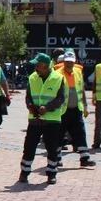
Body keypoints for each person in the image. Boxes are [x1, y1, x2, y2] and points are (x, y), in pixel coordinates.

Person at [18, 53, 66, 185]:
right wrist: (30, 106)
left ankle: (51, 173)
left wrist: (48, 108)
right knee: (29, 147)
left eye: (38, 65)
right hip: (35, 119)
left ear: (45, 66)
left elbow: (61, 98)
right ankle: (24, 172)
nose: (36, 68)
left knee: (52, 147)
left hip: (52, 120)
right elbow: (28, 96)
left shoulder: (58, 78)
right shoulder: (33, 77)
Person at [57, 53, 95, 168]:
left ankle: (85, 158)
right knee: (59, 135)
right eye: (67, 61)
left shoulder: (78, 72)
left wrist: (85, 105)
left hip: (76, 109)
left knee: (81, 133)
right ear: (64, 62)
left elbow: (81, 89)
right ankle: (56, 158)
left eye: (71, 61)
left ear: (75, 62)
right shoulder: (57, 74)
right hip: (62, 110)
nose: (69, 63)